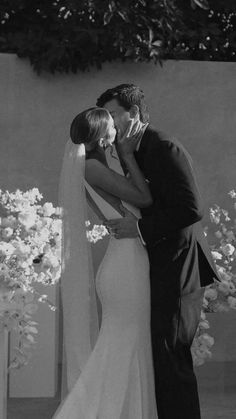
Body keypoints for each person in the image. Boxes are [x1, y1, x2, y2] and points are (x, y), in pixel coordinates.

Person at [96, 84, 219, 419]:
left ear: (134, 114)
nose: (109, 122)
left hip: (181, 267)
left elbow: (191, 208)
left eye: (113, 115)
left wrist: (137, 229)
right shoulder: (128, 150)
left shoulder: (163, 146)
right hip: (159, 266)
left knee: (171, 358)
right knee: (161, 359)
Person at [53, 107, 158, 419]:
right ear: (101, 136)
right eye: (113, 124)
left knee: (127, 345)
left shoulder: (94, 165)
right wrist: (127, 154)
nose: (118, 126)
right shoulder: (92, 168)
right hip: (126, 266)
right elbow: (144, 197)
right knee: (122, 346)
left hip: (127, 261)